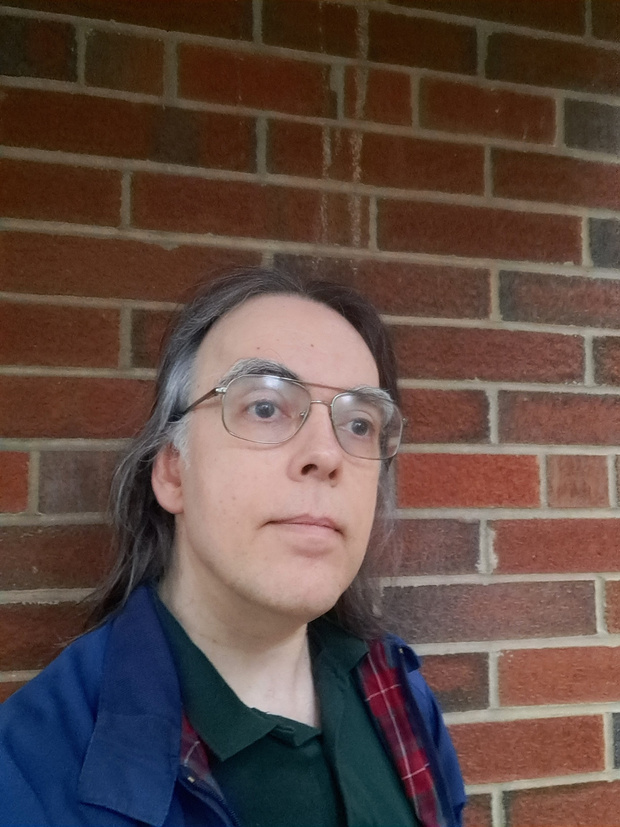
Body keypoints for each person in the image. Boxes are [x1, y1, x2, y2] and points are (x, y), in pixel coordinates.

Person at [0, 268, 465, 826]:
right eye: (265, 406)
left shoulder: (400, 693)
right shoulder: (29, 770)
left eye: (360, 423)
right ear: (173, 471)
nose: (328, 454)